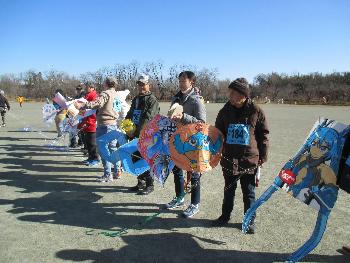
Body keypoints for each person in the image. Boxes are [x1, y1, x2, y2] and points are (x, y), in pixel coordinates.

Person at [212, 77, 269, 234]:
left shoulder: (256, 111)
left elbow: (263, 135)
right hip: (229, 158)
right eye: (230, 92)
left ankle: (249, 220)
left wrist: (262, 157)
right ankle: (225, 216)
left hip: (248, 160)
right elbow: (218, 133)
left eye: (234, 93)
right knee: (228, 189)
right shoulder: (224, 111)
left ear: (244, 95)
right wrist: (215, 151)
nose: (230, 96)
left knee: (248, 192)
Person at [164, 71, 206, 218]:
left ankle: (195, 204)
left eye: (184, 81)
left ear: (191, 83)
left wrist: (184, 117)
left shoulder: (197, 101)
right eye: (180, 81)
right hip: (177, 140)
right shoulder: (176, 98)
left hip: (193, 142)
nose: (181, 83)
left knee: (194, 174)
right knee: (176, 170)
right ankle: (180, 197)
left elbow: (202, 123)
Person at [75, 76, 128, 182]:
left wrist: (83, 105)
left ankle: (108, 174)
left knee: (104, 150)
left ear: (106, 84)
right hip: (114, 124)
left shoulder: (105, 93)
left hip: (104, 125)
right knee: (113, 148)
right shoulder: (116, 94)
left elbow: (97, 103)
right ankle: (117, 171)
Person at [126, 74, 160, 195]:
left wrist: (139, 132)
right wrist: (126, 126)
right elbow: (130, 114)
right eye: (139, 84)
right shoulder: (136, 99)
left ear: (148, 85)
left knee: (146, 159)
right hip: (134, 133)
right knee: (135, 157)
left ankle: (150, 184)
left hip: (146, 135)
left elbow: (149, 119)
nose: (141, 87)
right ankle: (140, 181)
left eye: (143, 84)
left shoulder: (152, 100)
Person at [79, 83, 99, 166]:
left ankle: (95, 158)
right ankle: (90, 157)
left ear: (92, 88)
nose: (86, 88)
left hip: (92, 121)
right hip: (86, 121)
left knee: (92, 142)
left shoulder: (94, 95)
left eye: (87, 87)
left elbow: (94, 107)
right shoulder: (87, 95)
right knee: (87, 141)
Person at [69, 83, 86, 148]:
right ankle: (74, 142)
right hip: (75, 114)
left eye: (80, 89)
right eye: (77, 89)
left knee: (80, 130)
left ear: (82, 89)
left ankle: (80, 142)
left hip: (81, 114)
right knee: (74, 129)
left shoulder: (84, 95)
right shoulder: (76, 96)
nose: (78, 90)